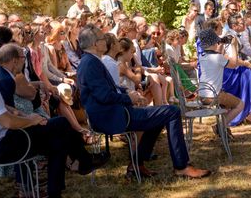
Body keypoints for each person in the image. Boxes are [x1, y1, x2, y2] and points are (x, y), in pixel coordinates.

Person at [0, 34, 108, 198]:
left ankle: (69, 176)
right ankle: (82, 162)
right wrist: (31, 120)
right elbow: (7, 122)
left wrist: (15, 111)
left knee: (58, 138)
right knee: (61, 125)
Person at [77, 24, 210, 180]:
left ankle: (136, 165)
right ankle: (181, 166)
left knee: (161, 115)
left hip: (112, 113)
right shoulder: (91, 63)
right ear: (94, 44)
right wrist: (129, 98)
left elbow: (107, 91)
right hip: (111, 117)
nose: (105, 41)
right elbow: (104, 96)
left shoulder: (90, 60)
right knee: (171, 112)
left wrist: (127, 92)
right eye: (101, 38)